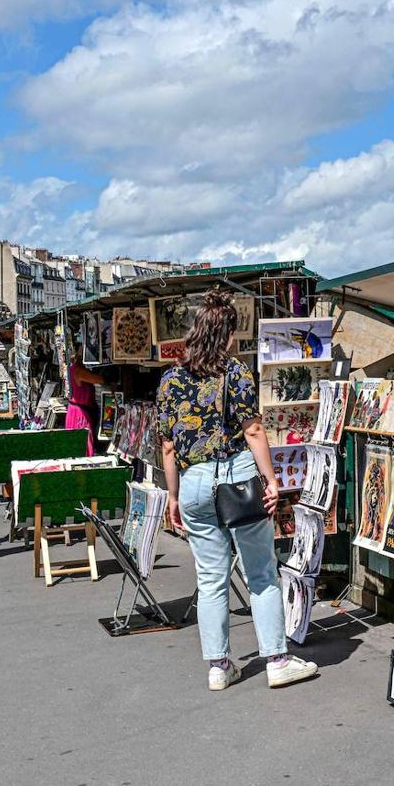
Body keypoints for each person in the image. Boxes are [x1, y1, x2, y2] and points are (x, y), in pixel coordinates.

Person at [158, 289, 317, 691]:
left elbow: (167, 446)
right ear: (225, 334)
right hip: (236, 478)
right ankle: (277, 660)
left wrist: (174, 496)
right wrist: (272, 479)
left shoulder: (171, 380)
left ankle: (218, 666)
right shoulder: (235, 373)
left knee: (210, 579)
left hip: (193, 483)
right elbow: (253, 430)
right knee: (261, 572)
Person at [65, 352, 106, 456]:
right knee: (83, 446)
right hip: (80, 414)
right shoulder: (78, 371)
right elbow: (99, 380)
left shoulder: (74, 369)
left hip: (76, 410)